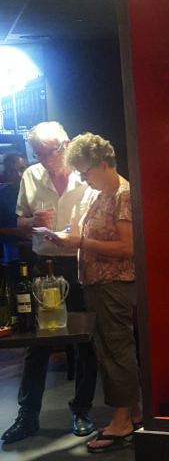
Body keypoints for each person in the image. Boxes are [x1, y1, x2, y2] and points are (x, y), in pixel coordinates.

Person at [2, 122, 99, 444]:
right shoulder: (32, 175)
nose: (44, 160)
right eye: (38, 154)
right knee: (36, 341)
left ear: (66, 145)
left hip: (81, 262)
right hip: (43, 265)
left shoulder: (85, 173)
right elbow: (20, 222)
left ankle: (82, 409)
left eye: (49, 152)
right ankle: (27, 415)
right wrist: (32, 222)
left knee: (85, 341)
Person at [50, 132, 141, 453]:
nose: (83, 179)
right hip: (97, 282)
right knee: (109, 350)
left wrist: (79, 242)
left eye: (85, 172)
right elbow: (88, 232)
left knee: (116, 350)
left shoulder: (123, 194)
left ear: (104, 164)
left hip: (114, 283)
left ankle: (121, 422)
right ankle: (132, 413)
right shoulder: (99, 192)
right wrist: (65, 236)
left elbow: (128, 248)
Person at [0, 152, 29, 291]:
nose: (18, 174)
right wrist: (19, 232)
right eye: (12, 171)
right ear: (5, 174)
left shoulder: (38, 190)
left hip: (41, 252)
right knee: (20, 296)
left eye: (21, 169)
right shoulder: (2, 195)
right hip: (14, 256)